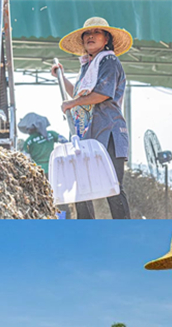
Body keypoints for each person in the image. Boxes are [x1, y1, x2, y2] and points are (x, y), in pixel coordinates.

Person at [51, 17, 133, 219]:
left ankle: (122, 228)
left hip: (109, 132)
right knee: (82, 189)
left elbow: (103, 94)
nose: (90, 37)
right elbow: (79, 96)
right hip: (88, 134)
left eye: (96, 33)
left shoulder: (109, 61)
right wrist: (61, 78)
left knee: (113, 187)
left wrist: (72, 104)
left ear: (106, 39)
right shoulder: (87, 67)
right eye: (87, 34)